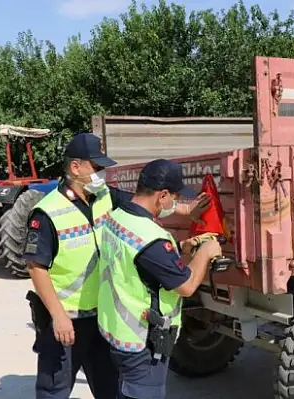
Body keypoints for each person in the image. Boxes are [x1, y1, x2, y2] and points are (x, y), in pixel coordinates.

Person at [21, 134, 209, 399]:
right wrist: (58, 315)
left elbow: (141, 203)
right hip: (66, 319)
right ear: (76, 167)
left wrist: (186, 212)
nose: (102, 174)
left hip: (101, 316)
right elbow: (35, 267)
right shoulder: (47, 212)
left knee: (109, 388)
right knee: (54, 390)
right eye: (96, 168)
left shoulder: (104, 197)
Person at [96, 158, 223, 399]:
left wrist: (182, 249)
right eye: (174, 197)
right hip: (141, 342)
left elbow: (142, 264)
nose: (175, 203)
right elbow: (185, 286)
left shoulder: (117, 217)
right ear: (161, 195)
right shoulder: (151, 238)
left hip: (116, 331)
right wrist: (205, 254)